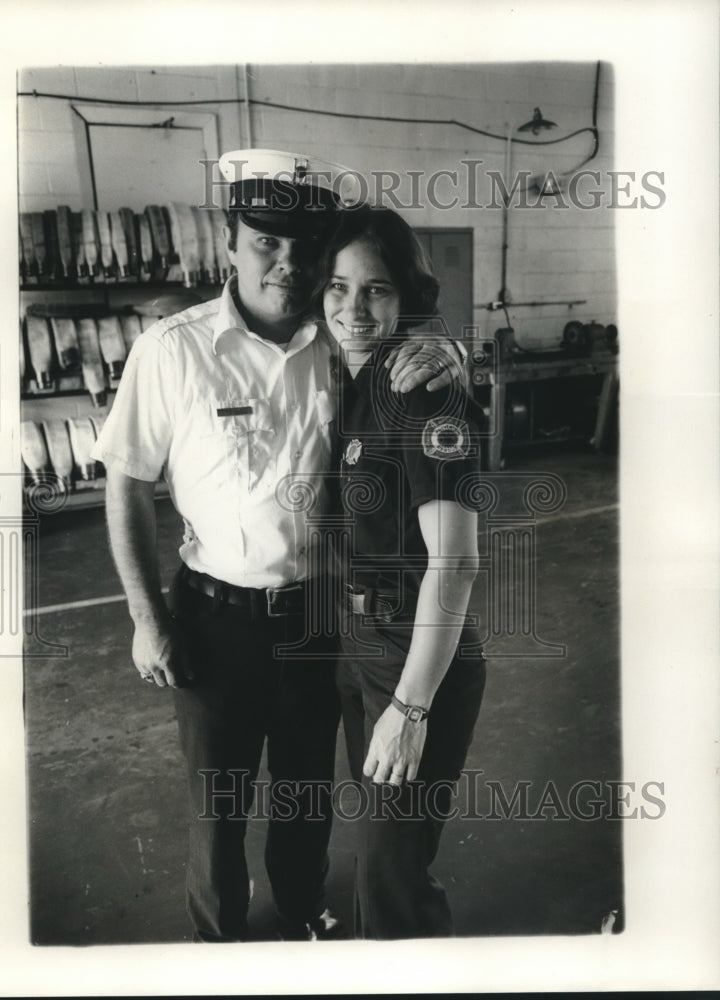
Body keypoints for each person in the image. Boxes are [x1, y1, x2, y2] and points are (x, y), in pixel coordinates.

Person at [91, 150, 466, 943]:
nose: (287, 264)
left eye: (305, 248)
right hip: (213, 620)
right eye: (266, 241)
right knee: (218, 803)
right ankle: (220, 937)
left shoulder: (337, 342)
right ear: (230, 243)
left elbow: (397, 332)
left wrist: (450, 350)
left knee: (305, 793)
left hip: (316, 622)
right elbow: (125, 484)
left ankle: (302, 909)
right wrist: (145, 616)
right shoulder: (173, 349)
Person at [318, 204, 487, 939]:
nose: (353, 308)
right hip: (361, 641)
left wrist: (411, 709)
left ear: (408, 294)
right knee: (391, 859)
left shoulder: (426, 390)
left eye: (377, 289)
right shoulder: (358, 377)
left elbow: (455, 561)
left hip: (413, 652)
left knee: (388, 880)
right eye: (337, 287)